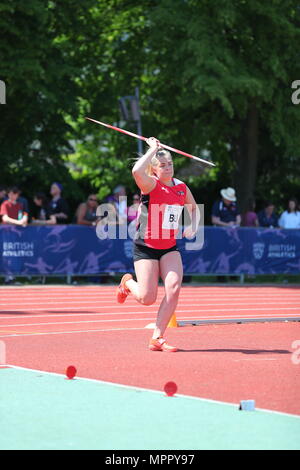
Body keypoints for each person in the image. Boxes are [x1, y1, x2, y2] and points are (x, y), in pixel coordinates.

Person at [116, 137, 200, 352]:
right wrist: (152, 149)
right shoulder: (150, 184)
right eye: (162, 165)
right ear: (154, 169)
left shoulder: (181, 187)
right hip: (146, 246)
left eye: (170, 164)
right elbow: (136, 171)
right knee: (147, 298)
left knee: (173, 288)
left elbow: (193, 208)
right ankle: (127, 283)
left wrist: (192, 226)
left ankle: (157, 337)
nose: (168, 168)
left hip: (169, 246)